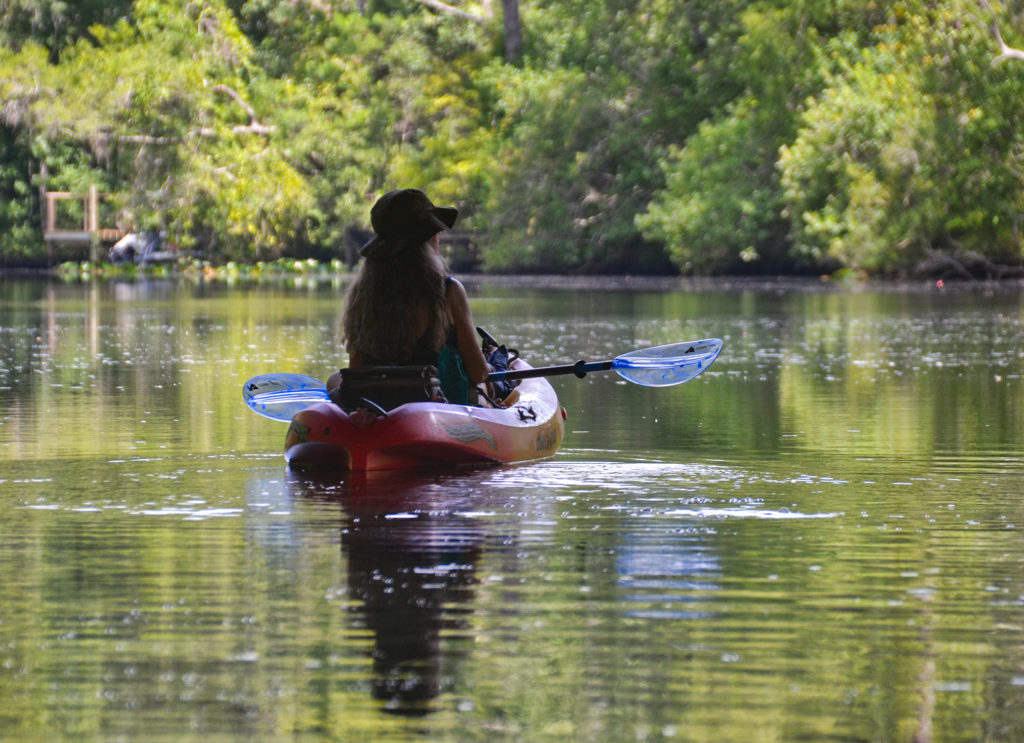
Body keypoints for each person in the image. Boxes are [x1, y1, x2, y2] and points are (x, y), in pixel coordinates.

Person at [327, 188, 490, 406]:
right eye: (436, 231)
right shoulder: (449, 291)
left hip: (376, 402)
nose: (439, 236)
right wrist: (491, 366)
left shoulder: (363, 294)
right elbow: (478, 373)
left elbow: (356, 372)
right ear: (428, 238)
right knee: (484, 386)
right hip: (432, 405)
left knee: (334, 380)